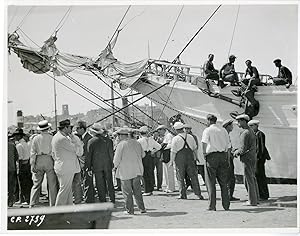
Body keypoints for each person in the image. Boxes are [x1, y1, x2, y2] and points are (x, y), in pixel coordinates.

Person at [113, 128, 146, 215]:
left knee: (127, 192)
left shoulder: (121, 145)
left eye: (119, 135)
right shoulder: (137, 143)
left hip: (125, 171)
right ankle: (142, 208)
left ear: (122, 135)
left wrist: (115, 167)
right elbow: (143, 155)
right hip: (137, 170)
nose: (118, 137)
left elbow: (116, 160)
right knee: (137, 191)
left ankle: (130, 210)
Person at [201, 114, 230, 211]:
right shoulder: (223, 130)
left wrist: (204, 153)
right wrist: (227, 158)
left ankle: (212, 206)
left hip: (212, 156)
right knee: (224, 182)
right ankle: (226, 205)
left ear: (209, 120)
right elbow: (228, 146)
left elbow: (204, 142)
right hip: (223, 156)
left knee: (211, 182)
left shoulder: (207, 130)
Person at [52, 119, 83, 206]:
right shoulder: (62, 139)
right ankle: (57, 213)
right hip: (65, 168)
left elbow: (53, 154)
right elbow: (79, 151)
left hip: (63, 167)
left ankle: (68, 211)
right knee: (64, 191)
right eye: (70, 127)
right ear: (65, 128)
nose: (71, 130)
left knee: (68, 191)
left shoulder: (57, 137)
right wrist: (76, 140)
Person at [170, 122, 204, 200]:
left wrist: (171, 161)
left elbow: (173, 151)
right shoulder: (190, 137)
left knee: (180, 176)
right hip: (190, 158)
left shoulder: (175, 138)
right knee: (194, 176)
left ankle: (182, 194)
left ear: (176, 130)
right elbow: (195, 148)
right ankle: (198, 194)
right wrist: (196, 157)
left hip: (180, 160)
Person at [29, 120, 58, 207]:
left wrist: (32, 164)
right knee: (52, 184)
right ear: (48, 128)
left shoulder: (35, 138)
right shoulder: (52, 137)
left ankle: (33, 203)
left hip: (38, 159)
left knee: (36, 183)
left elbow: (32, 152)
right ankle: (52, 204)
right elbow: (54, 152)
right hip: (49, 159)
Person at [233, 114, 259, 206]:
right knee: (252, 178)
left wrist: (235, 152)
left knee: (248, 179)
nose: (237, 123)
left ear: (244, 121)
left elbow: (243, 149)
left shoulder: (245, 133)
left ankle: (252, 201)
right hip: (252, 157)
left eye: (239, 121)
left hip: (247, 158)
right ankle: (256, 198)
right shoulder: (250, 131)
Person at [86, 123, 115, 203]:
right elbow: (111, 154)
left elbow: (89, 156)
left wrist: (88, 167)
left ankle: (103, 200)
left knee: (100, 184)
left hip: (96, 166)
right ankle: (112, 199)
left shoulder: (91, 141)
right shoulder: (109, 141)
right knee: (109, 182)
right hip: (107, 165)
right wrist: (112, 164)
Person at [248, 120, 270, 200]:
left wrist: (257, 158)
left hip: (259, 159)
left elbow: (260, 148)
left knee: (260, 175)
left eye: (251, 126)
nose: (250, 127)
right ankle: (261, 193)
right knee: (258, 175)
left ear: (256, 125)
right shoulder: (254, 134)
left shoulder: (260, 134)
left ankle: (263, 194)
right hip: (257, 158)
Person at [74, 120, 95, 203]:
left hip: (86, 163)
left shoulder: (88, 139)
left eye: (78, 128)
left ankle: (88, 199)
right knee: (86, 181)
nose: (77, 130)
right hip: (84, 163)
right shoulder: (84, 138)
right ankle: (89, 197)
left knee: (87, 181)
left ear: (82, 129)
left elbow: (88, 154)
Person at [138, 126, 161, 196]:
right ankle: (150, 189)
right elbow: (159, 146)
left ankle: (146, 190)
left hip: (143, 156)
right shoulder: (151, 140)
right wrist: (153, 151)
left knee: (145, 173)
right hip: (150, 156)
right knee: (150, 173)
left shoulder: (139, 141)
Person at [222, 119, 239, 201]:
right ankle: (229, 195)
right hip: (227, 159)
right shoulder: (225, 135)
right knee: (230, 177)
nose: (232, 127)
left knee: (229, 177)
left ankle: (229, 195)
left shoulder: (225, 134)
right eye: (231, 125)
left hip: (227, 157)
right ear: (227, 126)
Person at [14, 128, 32, 205]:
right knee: (27, 183)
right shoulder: (26, 144)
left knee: (22, 183)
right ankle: (26, 199)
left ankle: (23, 199)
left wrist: (18, 169)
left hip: (22, 165)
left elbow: (20, 159)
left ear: (19, 136)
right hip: (27, 164)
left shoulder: (19, 145)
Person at [156, 125, 176, 193]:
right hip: (165, 154)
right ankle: (168, 186)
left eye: (159, 131)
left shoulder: (168, 136)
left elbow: (171, 144)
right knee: (166, 172)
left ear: (163, 130)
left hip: (168, 154)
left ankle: (171, 187)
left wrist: (163, 147)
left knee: (169, 172)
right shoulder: (166, 136)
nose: (159, 133)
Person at [8, 132, 19, 207]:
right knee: (11, 185)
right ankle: (10, 201)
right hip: (11, 168)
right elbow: (16, 157)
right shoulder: (12, 145)